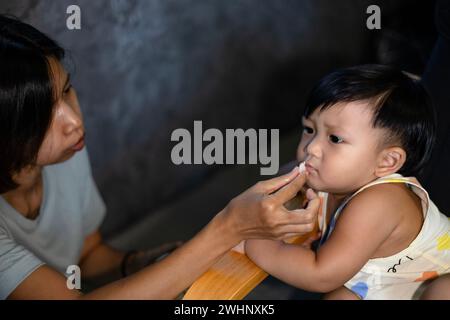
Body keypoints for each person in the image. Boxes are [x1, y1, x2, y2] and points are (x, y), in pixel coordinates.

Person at [0, 15, 321, 300]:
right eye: (42, 117)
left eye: (67, 91)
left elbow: (85, 255)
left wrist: (135, 263)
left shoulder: (64, 153)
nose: (74, 122)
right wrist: (229, 227)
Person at [243, 64, 450, 299]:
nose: (312, 148)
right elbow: (275, 186)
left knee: (444, 291)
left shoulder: (381, 201)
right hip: (387, 280)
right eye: (309, 129)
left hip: (439, 274)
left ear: (386, 161)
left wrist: (256, 243)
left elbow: (321, 275)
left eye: (334, 138)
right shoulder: (321, 175)